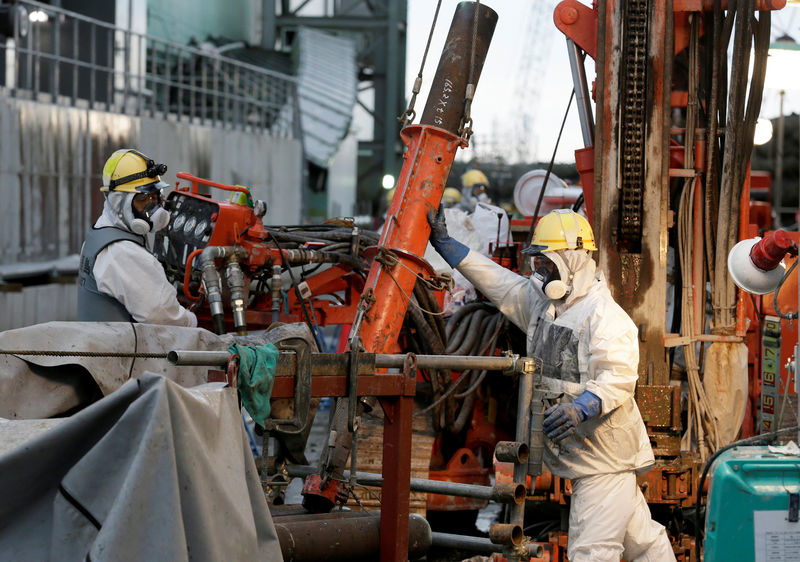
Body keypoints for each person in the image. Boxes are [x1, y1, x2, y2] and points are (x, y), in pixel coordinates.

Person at [428, 208, 675, 562]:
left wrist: (582, 407)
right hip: (584, 454)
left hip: (603, 459)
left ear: (570, 261)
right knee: (643, 542)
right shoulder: (545, 305)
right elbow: (500, 283)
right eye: (538, 264)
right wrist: (448, 247)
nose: (540, 272)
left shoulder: (604, 316)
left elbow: (618, 377)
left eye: (546, 264)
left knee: (591, 552)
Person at [78, 149, 197, 327]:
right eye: (144, 198)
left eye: (156, 197)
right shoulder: (122, 252)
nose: (155, 207)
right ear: (119, 201)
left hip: (102, 347)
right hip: (123, 352)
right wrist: (192, 320)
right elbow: (165, 318)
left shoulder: (99, 234)